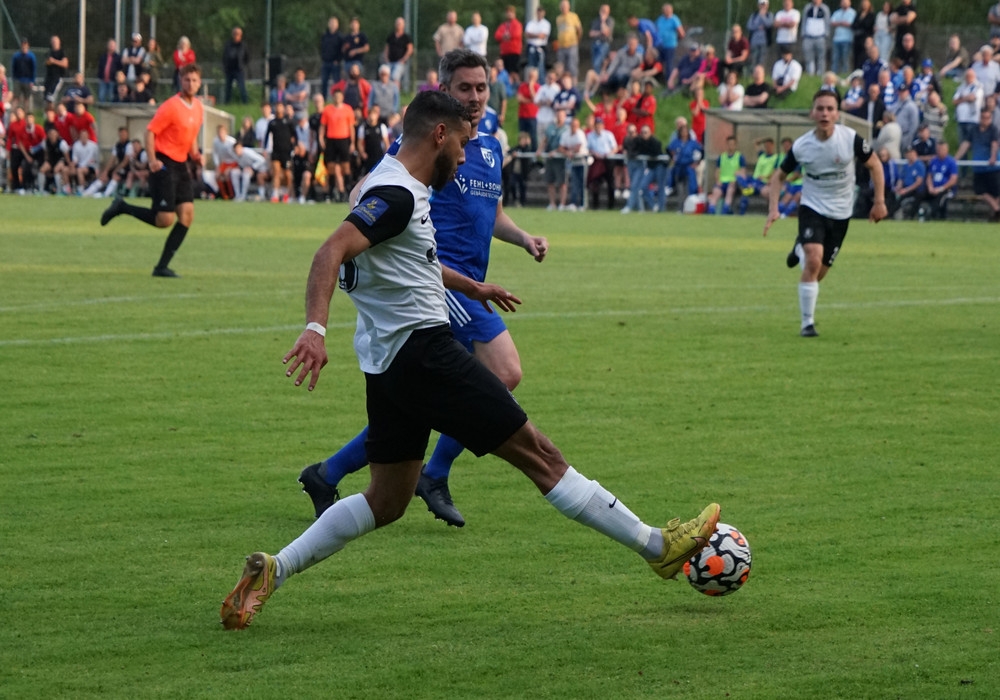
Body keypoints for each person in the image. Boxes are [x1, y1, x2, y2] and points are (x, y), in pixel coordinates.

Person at [218, 88, 721, 631]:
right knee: (542, 457)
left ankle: (275, 568)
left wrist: (471, 287)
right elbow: (330, 251)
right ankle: (657, 548)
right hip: (427, 356)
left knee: (387, 500)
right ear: (439, 134)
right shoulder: (397, 194)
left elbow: (409, 258)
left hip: (388, 366)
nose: (464, 156)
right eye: (461, 142)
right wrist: (315, 329)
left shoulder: (388, 182)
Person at [298, 49, 551, 528]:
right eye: (464, 88)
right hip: (435, 279)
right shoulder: (424, 141)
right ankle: (434, 473)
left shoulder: (489, 148)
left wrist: (523, 239)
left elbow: (493, 214)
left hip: (470, 283)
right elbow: (368, 190)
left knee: (425, 398)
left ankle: (327, 473)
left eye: (481, 88)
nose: (474, 97)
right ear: (444, 91)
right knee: (504, 372)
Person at [764, 89, 887, 338]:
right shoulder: (802, 146)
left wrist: (879, 202)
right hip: (812, 207)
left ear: (837, 114)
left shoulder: (850, 139)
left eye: (830, 109)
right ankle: (807, 324)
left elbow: (875, 164)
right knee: (813, 260)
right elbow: (778, 177)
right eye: (820, 108)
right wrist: (773, 209)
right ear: (812, 113)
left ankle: (799, 248)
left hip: (841, 213)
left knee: (817, 273)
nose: (825, 113)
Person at [99, 63, 204, 278]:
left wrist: (195, 154)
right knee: (164, 220)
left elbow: (191, 135)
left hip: (181, 164)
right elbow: (150, 132)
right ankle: (122, 207)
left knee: (187, 216)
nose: (190, 84)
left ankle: (161, 267)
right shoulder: (171, 106)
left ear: (199, 83)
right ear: (180, 81)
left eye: (194, 80)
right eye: (187, 80)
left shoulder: (199, 108)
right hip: (164, 162)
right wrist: (153, 160)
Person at [955, 108, 1000, 222]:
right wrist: (956, 158)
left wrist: (993, 157)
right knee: (979, 190)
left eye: (987, 118)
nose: (985, 120)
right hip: (979, 167)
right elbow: (966, 144)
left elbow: (994, 144)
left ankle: (995, 214)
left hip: (992, 167)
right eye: (983, 118)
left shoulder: (993, 129)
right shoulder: (974, 129)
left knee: (996, 193)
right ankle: (997, 209)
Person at [319, 88, 356, 202]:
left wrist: (352, 142)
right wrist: (321, 138)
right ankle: (330, 193)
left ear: (342, 97)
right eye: (335, 96)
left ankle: (347, 192)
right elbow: (323, 126)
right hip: (331, 140)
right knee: (330, 167)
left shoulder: (348, 109)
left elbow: (351, 127)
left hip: (343, 139)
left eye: (339, 96)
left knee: (346, 166)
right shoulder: (327, 110)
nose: (337, 98)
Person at [707, 135, 746, 214]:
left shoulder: (740, 157)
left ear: (735, 145)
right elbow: (717, 171)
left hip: (733, 183)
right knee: (716, 192)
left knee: (730, 190)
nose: (730, 146)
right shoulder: (722, 157)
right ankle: (711, 210)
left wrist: (736, 179)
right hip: (722, 181)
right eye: (729, 144)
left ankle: (726, 209)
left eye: (732, 144)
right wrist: (718, 181)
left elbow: (743, 173)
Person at [923, 140, 958, 220]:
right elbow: (929, 176)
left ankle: (936, 217)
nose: (940, 151)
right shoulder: (933, 161)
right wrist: (930, 187)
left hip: (946, 189)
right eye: (938, 149)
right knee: (920, 194)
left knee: (939, 199)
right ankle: (912, 215)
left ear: (947, 150)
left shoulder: (951, 162)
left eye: (942, 149)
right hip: (933, 188)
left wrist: (940, 189)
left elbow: (953, 180)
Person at [555, 0, 584, 81]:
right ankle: (562, 83)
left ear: (568, 7)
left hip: (571, 45)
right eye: (562, 6)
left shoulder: (573, 16)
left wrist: (577, 40)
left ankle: (574, 84)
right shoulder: (558, 18)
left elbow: (579, 30)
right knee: (561, 66)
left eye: (565, 6)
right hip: (561, 46)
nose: (563, 8)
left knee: (572, 66)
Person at [801, 0, 831, 76]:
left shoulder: (825, 9)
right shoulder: (807, 8)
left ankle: (820, 73)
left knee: (821, 57)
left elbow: (827, 22)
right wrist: (803, 34)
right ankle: (810, 73)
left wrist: (826, 34)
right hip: (808, 37)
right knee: (808, 57)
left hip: (820, 37)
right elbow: (804, 21)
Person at [655, 4, 685, 80]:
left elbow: (681, 33)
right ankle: (659, 79)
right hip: (660, 44)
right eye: (665, 10)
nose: (666, 12)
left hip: (670, 45)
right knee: (658, 62)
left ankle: (669, 80)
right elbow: (656, 29)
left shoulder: (674, 19)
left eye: (668, 10)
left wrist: (676, 39)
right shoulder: (660, 19)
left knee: (669, 63)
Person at [222, 27, 250, 104]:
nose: (236, 36)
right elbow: (224, 57)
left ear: (241, 35)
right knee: (228, 88)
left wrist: (242, 65)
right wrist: (225, 66)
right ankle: (227, 103)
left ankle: (245, 103)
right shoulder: (228, 45)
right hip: (229, 69)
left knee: (242, 87)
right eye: (234, 34)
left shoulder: (243, 46)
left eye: (238, 34)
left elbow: (247, 57)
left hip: (239, 70)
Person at [384, 17, 414, 90]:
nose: (398, 25)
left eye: (400, 24)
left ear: (403, 25)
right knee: (388, 77)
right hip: (390, 61)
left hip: (399, 62)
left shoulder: (406, 37)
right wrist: (386, 58)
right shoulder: (391, 36)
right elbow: (387, 48)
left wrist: (404, 59)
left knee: (395, 77)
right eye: (397, 23)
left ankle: (396, 93)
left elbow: (410, 49)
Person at [495, 6, 524, 77]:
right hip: (504, 52)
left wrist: (507, 36)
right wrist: (504, 36)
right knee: (505, 71)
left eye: (511, 12)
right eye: (508, 12)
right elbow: (497, 35)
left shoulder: (517, 24)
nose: (509, 14)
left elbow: (516, 34)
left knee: (513, 72)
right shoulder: (503, 25)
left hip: (514, 52)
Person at [747, 1, 775, 75]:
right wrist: (758, 27)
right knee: (753, 59)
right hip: (754, 41)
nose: (762, 6)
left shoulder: (769, 15)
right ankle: (752, 74)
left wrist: (762, 16)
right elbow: (749, 26)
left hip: (764, 41)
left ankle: (760, 74)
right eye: (761, 5)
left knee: (762, 59)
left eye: (764, 5)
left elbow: (769, 24)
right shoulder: (754, 15)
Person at [320, 17, 345, 99]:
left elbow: (342, 50)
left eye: (334, 23)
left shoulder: (340, 37)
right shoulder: (325, 36)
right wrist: (323, 57)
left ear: (337, 25)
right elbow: (322, 47)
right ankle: (323, 98)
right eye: (331, 23)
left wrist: (338, 60)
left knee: (336, 82)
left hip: (335, 63)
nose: (332, 25)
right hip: (326, 62)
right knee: (324, 81)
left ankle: (337, 98)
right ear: (328, 24)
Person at [830, 0, 856, 75]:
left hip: (847, 39)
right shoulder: (837, 12)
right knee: (835, 58)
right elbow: (832, 22)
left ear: (849, 3)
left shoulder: (852, 13)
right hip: (836, 39)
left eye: (846, 2)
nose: (844, 3)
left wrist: (839, 23)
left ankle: (845, 73)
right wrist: (842, 23)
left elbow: (850, 24)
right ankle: (834, 74)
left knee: (846, 58)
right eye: (843, 2)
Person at [44, 35, 69, 107]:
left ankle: (53, 111)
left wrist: (54, 61)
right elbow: (46, 62)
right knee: (47, 97)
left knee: (51, 97)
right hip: (49, 78)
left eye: (55, 42)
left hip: (57, 78)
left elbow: (65, 64)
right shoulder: (49, 52)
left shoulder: (62, 52)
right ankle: (48, 111)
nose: (54, 43)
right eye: (53, 42)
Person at [525, 6, 551, 72]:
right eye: (538, 12)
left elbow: (542, 36)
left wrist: (533, 35)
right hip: (531, 46)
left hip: (541, 47)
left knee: (541, 67)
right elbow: (527, 34)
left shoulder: (546, 24)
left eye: (541, 12)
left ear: (544, 13)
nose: (539, 14)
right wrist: (538, 35)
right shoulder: (531, 23)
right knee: (531, 67)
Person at [589, 4, 615, 74]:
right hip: (595, 43)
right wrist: (600, 32)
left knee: (597, 63)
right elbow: (591, 33)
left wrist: (603, 21)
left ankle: (598, 78)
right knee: (594, 63)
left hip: (604, 44)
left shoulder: (610, 21)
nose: (604, 12)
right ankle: (597, 76)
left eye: (606, 11)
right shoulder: (596, 21)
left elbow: (606, 32)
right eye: (603, 11)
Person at [97, 39, 122, 103]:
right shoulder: (103, 56)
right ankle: (102, 109)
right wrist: (99, 76)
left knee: (111, 97)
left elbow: (120, 68)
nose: (111, 47)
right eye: (110, 45)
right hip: (103, 80)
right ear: (107, 46)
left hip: (112, 80)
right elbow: (100, 67)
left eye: (113, 46)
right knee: (101, 96)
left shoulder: (118, 57)